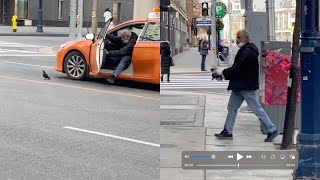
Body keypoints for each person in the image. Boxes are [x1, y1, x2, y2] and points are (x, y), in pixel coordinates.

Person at [213, 30, 279, 142]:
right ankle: (227, 131)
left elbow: (238, 67)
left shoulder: (248, 52)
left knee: (256, 109)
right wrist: (224, 75)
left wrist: (223, 73)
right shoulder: (246, 50)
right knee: (232, 108)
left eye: (239, 37)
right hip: (240, 85)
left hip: (246, 86)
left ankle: (272, 129)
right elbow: (238, 69)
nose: (237, 39)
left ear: (246, 38)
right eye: (237, 37)